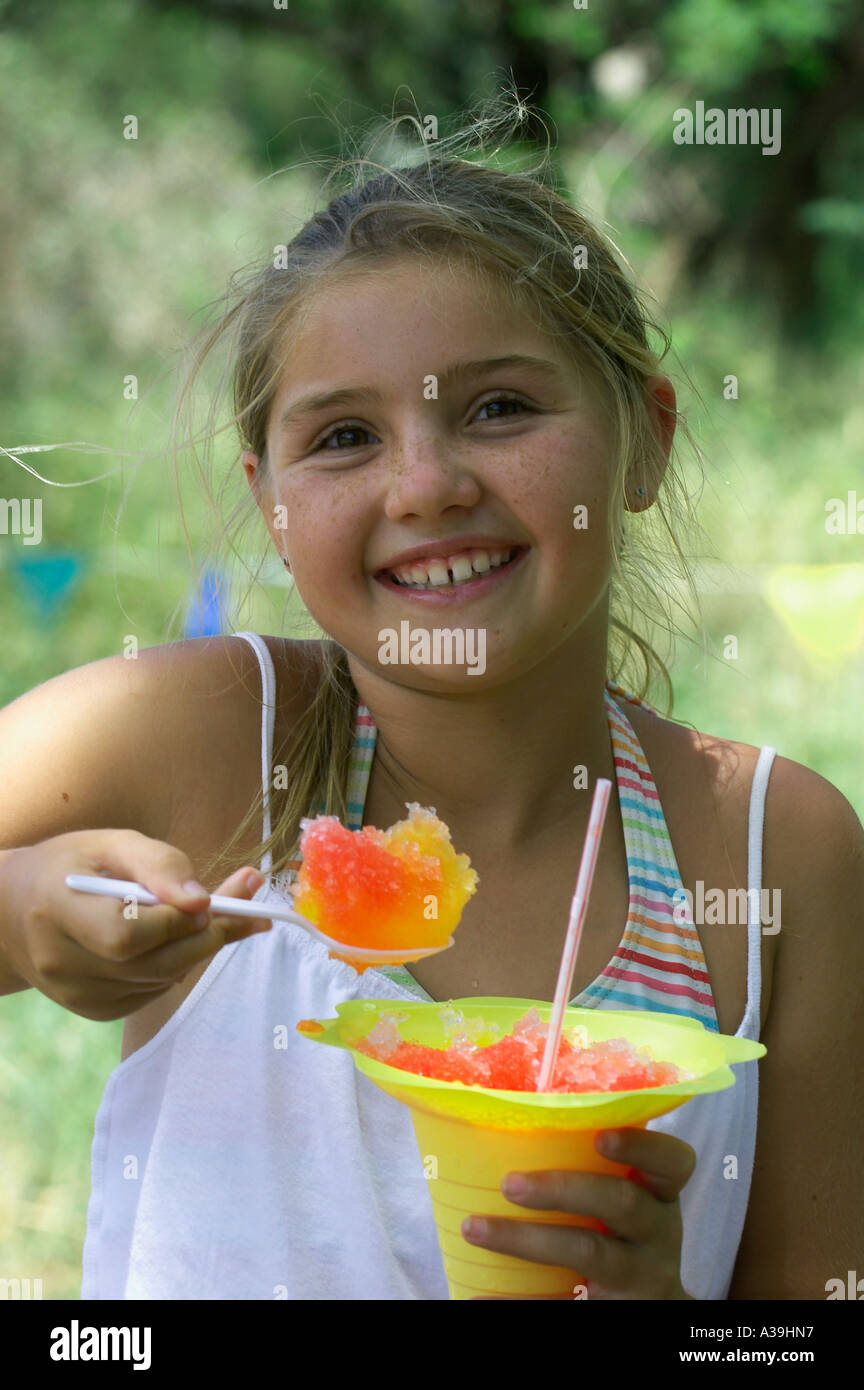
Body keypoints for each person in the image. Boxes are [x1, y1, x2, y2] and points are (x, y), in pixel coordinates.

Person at [1, 116, 862, 1302]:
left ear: (645, 441)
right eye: (345, 436)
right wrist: (20, 910)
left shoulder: (773, 845)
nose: (427, 484)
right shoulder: (200, 737)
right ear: (272, 502)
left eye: (500, 408)